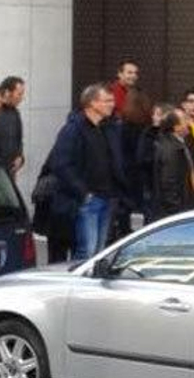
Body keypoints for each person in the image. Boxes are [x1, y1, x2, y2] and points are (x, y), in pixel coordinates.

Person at [47, 85, 131, 260]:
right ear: (92, 103)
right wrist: (84, 193)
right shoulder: (73, 129)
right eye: (107, 101)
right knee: (87, 252)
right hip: (88, 201)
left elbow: (115, 160)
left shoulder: (109, 128)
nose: (112, 104)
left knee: (99, 253)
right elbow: (61, 164)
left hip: (108, 197)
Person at [151, 105, 194, 221]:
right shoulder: (170, 150)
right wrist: (177, 211)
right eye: (185, 120)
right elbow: (169, 183)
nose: (188, 123)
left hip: (185, 203)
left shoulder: (182, 143)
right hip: (174, 211)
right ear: (176, 127)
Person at [0, 76, 26, 177]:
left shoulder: (15, 113)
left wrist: (20, 157)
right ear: (8, 92)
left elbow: (19, 139)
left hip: (10, 172)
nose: (22, 98)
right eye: (19, 94)